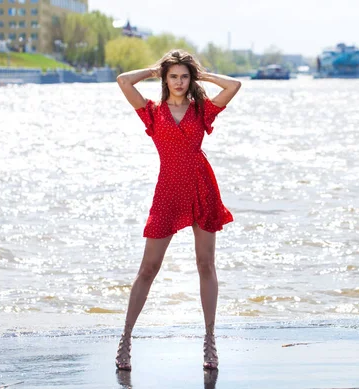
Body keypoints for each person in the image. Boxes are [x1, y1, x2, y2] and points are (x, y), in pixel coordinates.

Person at [114, 49, 241, 371]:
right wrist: (154, 70)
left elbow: (234, 85)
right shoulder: (152, 112)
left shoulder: (203, 111)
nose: (180, 82)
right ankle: (126, 339)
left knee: (205, 264)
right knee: (148, 268)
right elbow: (123, 81)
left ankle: (210, 340)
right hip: (168, 191)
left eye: (185, 76)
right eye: (174, 76)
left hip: (202, 186)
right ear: (165, 78)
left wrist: (203, 74)